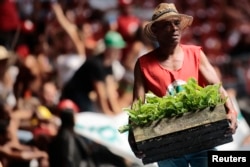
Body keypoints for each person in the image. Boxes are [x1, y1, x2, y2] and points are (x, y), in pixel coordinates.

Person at [128, 3, 238, 167]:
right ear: (156, 31)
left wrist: (231, 110)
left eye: (176, 23)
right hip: (167, 144)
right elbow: (137, 102)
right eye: (167, 25)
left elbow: (217, 86)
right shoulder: (143, 64)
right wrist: (132, 133)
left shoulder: (195, 54)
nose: (174, 29)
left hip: (202, 137)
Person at [60, 30, 126, 114]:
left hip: (84, 93)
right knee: (89, 113)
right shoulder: (96, 64)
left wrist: (116, 112)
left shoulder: (108, 66)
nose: (119, 53)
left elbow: (110, 90)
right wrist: (107, 114)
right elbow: (100, 94)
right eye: (117, 50)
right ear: (108, 50)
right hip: (74, 94)